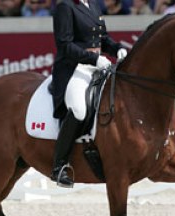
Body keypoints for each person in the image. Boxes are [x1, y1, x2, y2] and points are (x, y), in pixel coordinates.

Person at [50, 0, 127, 187]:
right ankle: (59, 166)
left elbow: (103, 38)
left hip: (96, 66)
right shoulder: (65, 6)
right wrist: (94, 58)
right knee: (79, 110)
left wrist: (117, 48)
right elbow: (64, 45)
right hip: (74, 67)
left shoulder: (93, 5)